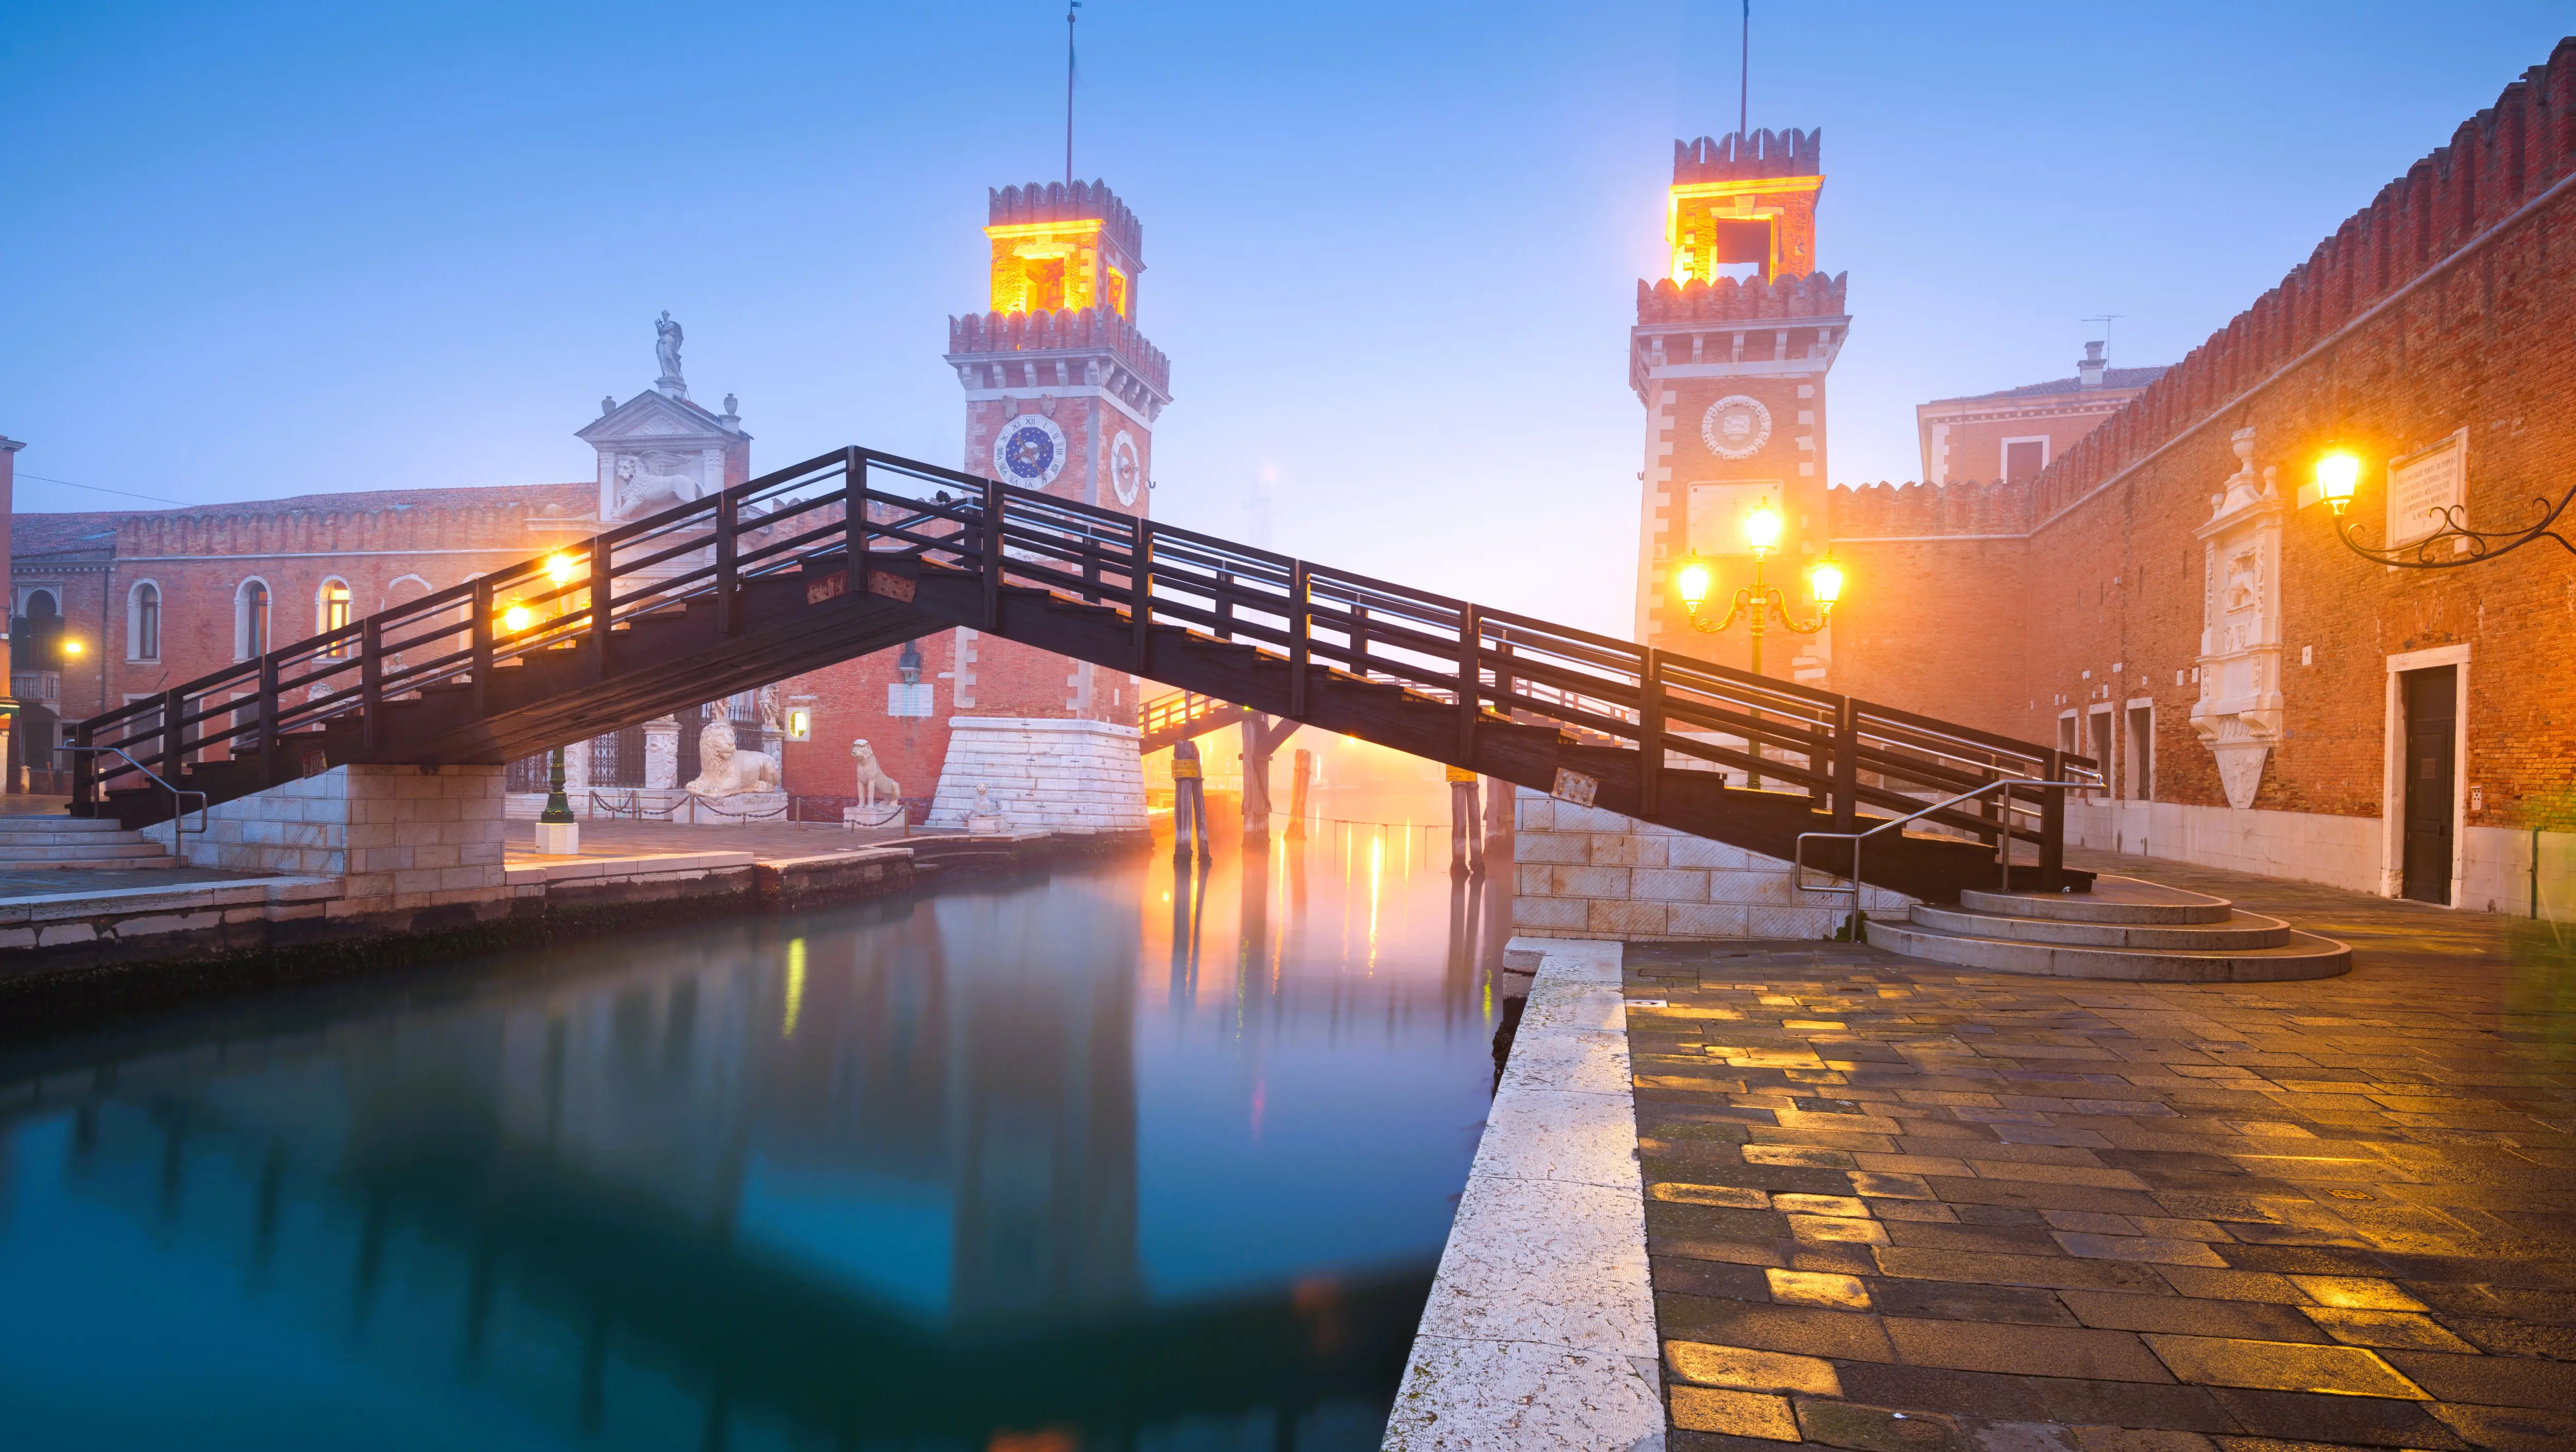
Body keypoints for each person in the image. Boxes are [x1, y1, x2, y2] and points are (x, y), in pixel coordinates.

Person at [1171, 738, 1211, 862]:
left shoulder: (1188, 755)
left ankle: (1185, 853)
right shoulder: (1185, 755)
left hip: (1186, 776)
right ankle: (1196, 854)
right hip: (1185, 777)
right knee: (1187, 813)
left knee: (1192, 813)